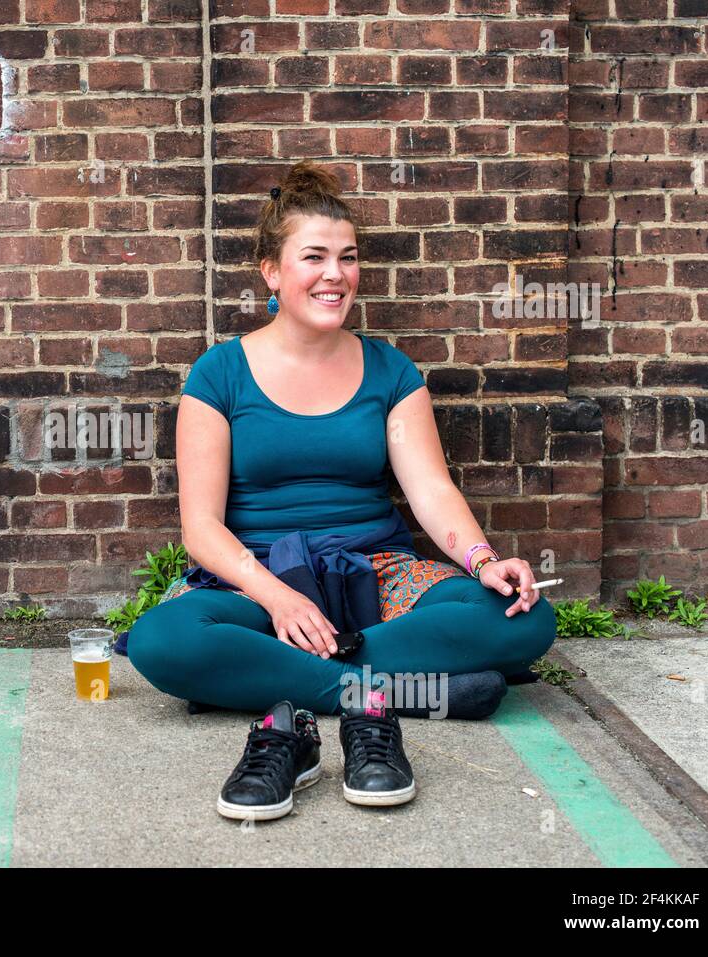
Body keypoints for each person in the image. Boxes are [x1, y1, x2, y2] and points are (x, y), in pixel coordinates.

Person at [125, 160, 557, 813]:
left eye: (348, 258)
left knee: (524, 619)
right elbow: (202, 529)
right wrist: (278, 601)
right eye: (315, 257)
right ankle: (405, 691)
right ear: (272, 271)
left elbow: (432, 491)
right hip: (257, 581)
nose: (336, 274)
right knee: (163, 640)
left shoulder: (389, 370)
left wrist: (485, 561)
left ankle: (275, 680)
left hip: (374, 576)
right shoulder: (219, 375)